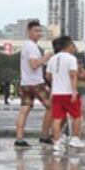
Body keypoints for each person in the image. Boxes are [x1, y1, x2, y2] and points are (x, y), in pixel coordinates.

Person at [14, 20, 52, 148]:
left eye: (40, 31)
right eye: (36, 31)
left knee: (24, 109)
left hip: (25, 82)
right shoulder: (31, 47)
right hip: (36, 82)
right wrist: (45, 58)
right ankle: (45, 135)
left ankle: (19, 138)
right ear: (29, 32)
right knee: (52, 106)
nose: (39, 33)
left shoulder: (26, 46)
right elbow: (34, 64)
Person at [45, 36, 84, 153]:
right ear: (67, 45)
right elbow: (73, 75)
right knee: (77, 116)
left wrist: (55, 84)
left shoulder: (52, 59)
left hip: (56, 94)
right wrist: (73, 91)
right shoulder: (71, 59)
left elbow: (48, 76)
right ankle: (75, 139)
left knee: (57, 118)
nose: (74, 48)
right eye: (72, 45)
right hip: (68, 93)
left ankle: (56, 142)